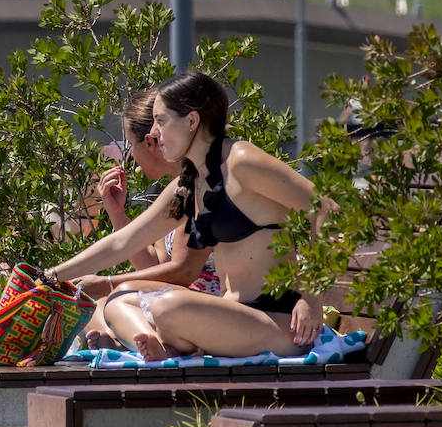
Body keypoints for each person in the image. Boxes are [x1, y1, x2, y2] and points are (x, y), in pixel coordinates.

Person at [46, 72, 325, 360]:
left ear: (192, 121)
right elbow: (124, 242)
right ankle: (164, 347)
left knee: (168, 307)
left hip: (277, 323)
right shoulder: (191, 182)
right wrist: (51, 277)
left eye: (161, 121)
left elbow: (327, 208)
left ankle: (166, 346)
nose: (154, 132)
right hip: (235, 315)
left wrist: (312, 299)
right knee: (118, 300)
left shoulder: (240, 160)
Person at [73, 90, 220, 350]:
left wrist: (106, 282)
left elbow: (180, 272)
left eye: (131, 146)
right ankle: (123, 340)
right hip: (187, 300)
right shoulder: (176, 189)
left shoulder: (197, 184)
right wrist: (117, 213)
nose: (133, 160)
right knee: (94, 305)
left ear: (151, 142)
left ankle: (143, 343)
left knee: (116, 296)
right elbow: (156, 266)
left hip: (209, 305)